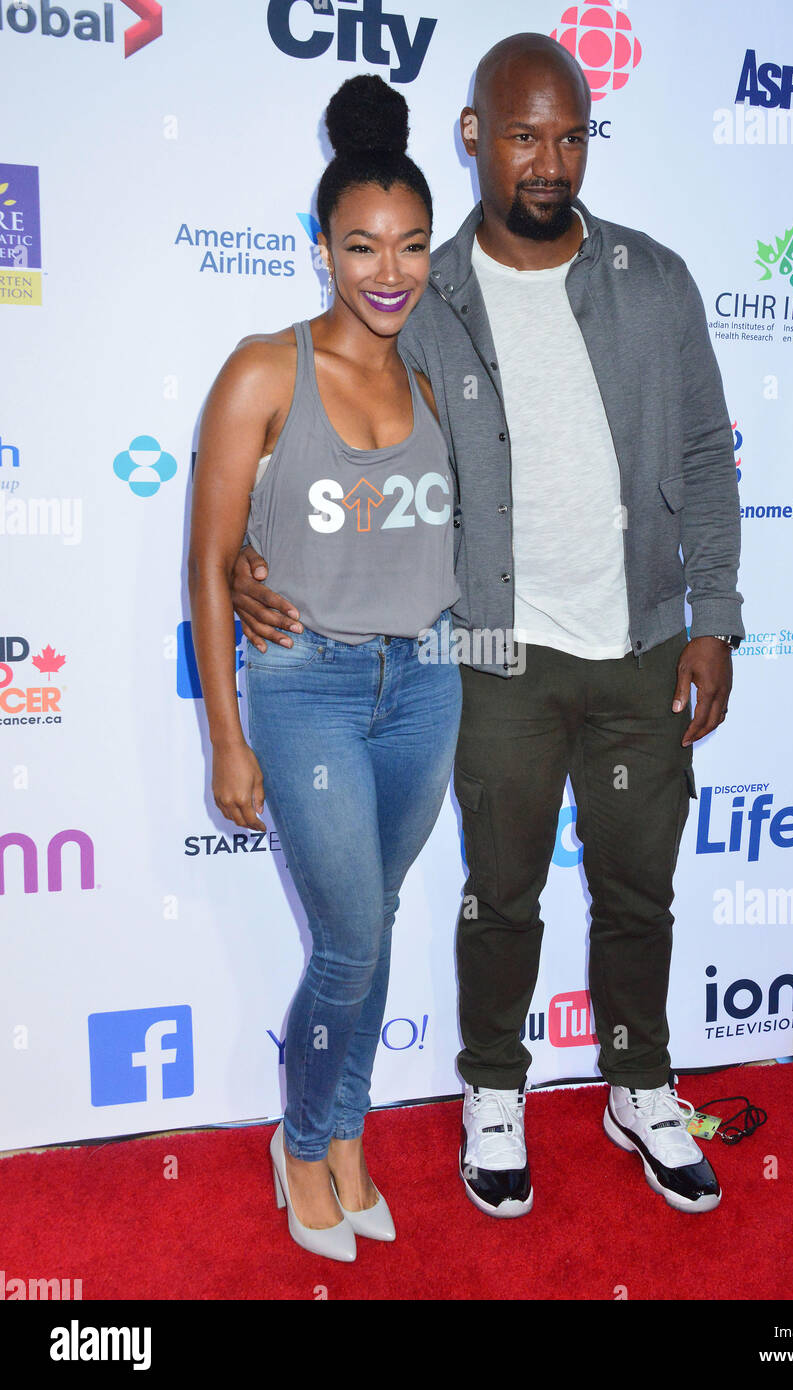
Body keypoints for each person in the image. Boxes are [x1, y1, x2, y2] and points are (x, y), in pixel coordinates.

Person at [232, 34, 744, 1219]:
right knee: (498, 892)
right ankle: (494, 1091)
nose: (548, 160)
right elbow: (325, 425)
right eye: (522, 135)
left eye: (569, 136)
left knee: (635, 891)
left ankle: (639, 1080)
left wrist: (712, 619)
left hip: (642, 646)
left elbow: (707, 460)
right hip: (492, 651)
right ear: (473, 138)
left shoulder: (654, 280)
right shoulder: (422, 296)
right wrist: (254, 554)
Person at [187, 75, 461, 1260]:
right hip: (304, 689)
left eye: (408, 245)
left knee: (379, 918)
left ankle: (345, 1131)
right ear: (320, 249)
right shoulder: (263, 369)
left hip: (429, 687)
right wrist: (227, 739)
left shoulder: (441, 370)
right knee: (350, 940)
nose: (387, 271)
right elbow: (207, 567)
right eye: (360, 246)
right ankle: (302, 1140)